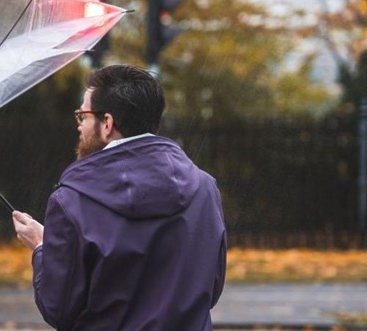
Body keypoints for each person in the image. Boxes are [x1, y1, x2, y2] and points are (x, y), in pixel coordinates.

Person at [12, 64, 227, 331]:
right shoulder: (205, 189)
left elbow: (59, 309)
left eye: (83, 116)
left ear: (107, 123)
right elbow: (211, 288)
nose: (79, 126)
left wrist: (42, 248)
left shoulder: (72, 203)